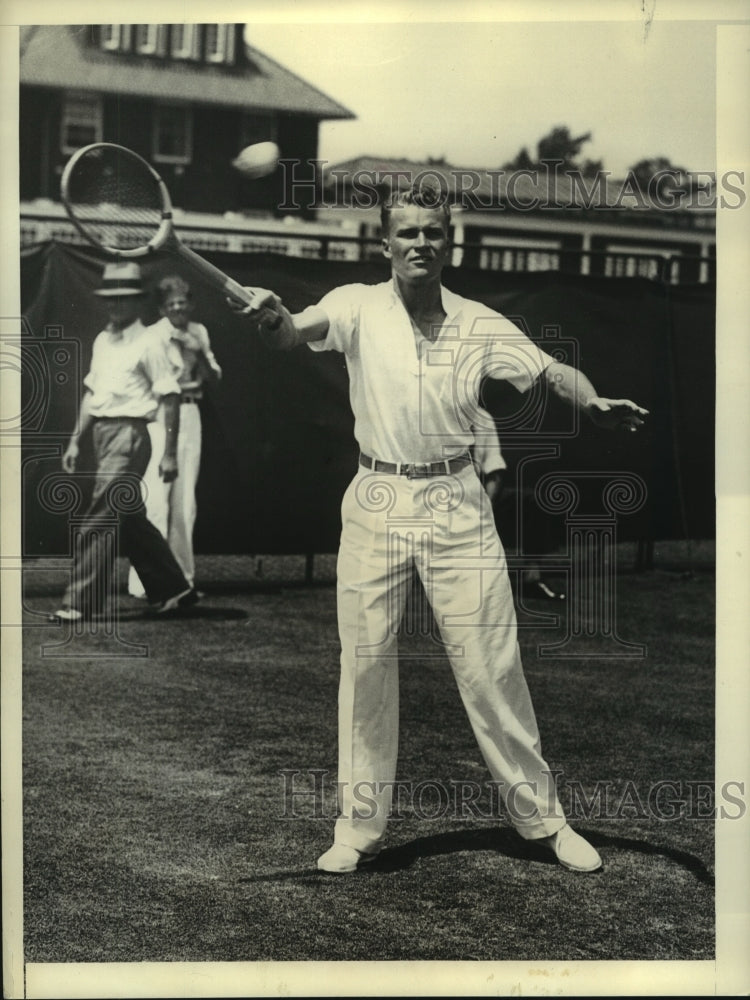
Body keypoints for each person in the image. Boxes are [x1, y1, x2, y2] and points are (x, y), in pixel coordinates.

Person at [239, 181, 648, 875]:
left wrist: (595, 400)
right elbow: (292, 334)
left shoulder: (480, 323)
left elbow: (552, 373)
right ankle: (357, 829)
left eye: (433, 232)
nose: (420, 243)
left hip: (457, 503)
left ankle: (543, 822)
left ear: (449, 241)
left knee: (491, 665)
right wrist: (272, 317)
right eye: (407, 233)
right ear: (385, 243)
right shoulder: (354, 306)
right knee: (365, 664)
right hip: (374, 498)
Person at [50, 262, 199, 623]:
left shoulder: (150, 342)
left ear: (136, 303)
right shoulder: (103, 340)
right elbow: (92, 392)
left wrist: (167, 454)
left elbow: (170, 397)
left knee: (99, 519)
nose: (114, 306)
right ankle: (174, 589)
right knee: (128, 517)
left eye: (123, 299)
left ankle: (78, 602)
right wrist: (74, 440)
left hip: (132, 436)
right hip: (103, 436)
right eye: (109, 299)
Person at [128, 275, 222, 598]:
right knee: (155, 497)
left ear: (191, 304)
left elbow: (214, 379)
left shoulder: (199, 333)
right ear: (162, 308)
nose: (178, 307)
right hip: (159, 418)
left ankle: (183, 580)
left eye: (182, 302)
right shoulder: (152, 336)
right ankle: (146, 582)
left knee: (185, 503)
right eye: (171, 304)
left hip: (191, 413)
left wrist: (199, 352)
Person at [472, 407, 566, 601]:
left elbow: (493, 469)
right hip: (442, 495)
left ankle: (532, 578)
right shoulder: (433, 414)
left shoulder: (482, 417)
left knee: (533, 501)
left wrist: (485, 508)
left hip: (480, 496)